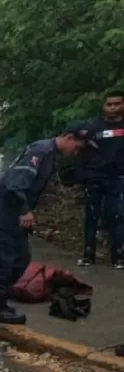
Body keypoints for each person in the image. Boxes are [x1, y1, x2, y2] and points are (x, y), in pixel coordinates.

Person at [0, 123, 87, 324]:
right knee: (1, 259)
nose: (76, 152)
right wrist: (25, 211)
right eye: (77, 147)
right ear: (69, 138)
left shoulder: (51, 154)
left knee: (21, 258)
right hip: (2, 214)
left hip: (11, 217)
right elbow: (15, 184)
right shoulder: (42, 150)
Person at [76, 90, 124, 267]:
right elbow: (78, 147)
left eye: (117, 104)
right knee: (91, 216)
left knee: (117, 216)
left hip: (117, 178)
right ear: (103, 106)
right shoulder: (91, 126)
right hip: (94, 177)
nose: (113, 108)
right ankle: (88, 254)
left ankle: (118, 256)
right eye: (109, 104)